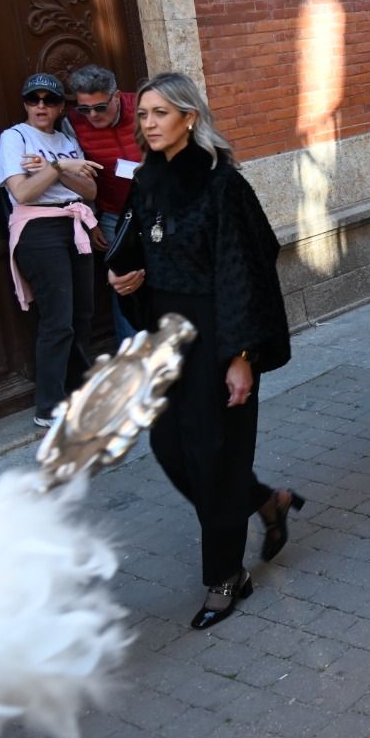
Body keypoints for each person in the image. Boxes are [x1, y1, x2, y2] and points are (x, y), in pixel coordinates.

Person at [105, 72, 296, 630]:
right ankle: (263, 501)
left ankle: (225, 577)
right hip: (164, 333)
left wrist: (242, 355)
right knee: (170, 448)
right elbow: (134, 249)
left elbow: (249, 267)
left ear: (189, 117)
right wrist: (128, 282)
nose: (149, 124)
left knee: (216, 458)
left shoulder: (222, 184)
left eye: (160, 113)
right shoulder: (146, 182)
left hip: (217, 328)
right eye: (143, 115)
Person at [0, 73, 102, 429]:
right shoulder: (15, 137)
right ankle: (48, 405)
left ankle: (78, 391)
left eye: (50, 100)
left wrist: (54, 169)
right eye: (33, 99)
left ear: (60, 107)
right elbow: (22, 193)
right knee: (57, 319)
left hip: (75, 223)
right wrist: (60, 167)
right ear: (25, 103)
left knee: (82, 313)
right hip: (38, 229)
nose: (41, 106)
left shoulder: (68, 140)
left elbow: (89, 191)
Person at [65, 64, 141, 343]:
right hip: (114, 215)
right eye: (85, 109)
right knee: (124, 283)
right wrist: (92, 221)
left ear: (117, 96)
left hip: (160, 210)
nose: (92, 116)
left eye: (99, 107)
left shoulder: (143, 106)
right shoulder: (72, 123)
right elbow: (76, 177)